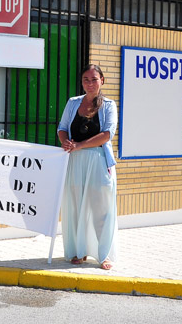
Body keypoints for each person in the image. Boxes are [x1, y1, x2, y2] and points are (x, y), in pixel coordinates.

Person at [57, 64, 118, 270]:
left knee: (101, 208)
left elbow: (107, 134)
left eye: (94, 79)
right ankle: (79, 252)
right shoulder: (73, 103)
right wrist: (66, 142)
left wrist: (80, 145)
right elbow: (62, 128)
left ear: (102, 80)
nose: (90, 83)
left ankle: (104, 255)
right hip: (75, 161)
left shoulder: (109, 105)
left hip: (98, 161)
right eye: (86, 79)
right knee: (75, 207)